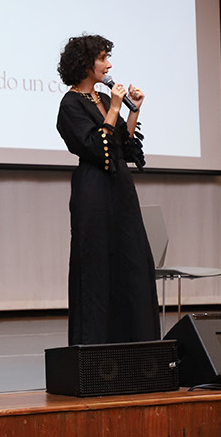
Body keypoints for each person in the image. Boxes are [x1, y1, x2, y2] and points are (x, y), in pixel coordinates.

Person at [56, 34, 157, 345]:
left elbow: (122, 148)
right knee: (97, 268)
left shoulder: (100, 98)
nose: (108, 65)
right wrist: (114, 107)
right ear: (85, 64)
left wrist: (133, 110)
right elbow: (96, 147)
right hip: (94, 191)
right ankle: (96, 352)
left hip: (120, 190)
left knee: (133, 263)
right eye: (102, 58)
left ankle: (137, 347)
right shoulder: (70, 104)